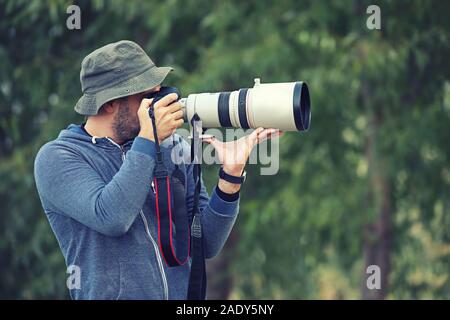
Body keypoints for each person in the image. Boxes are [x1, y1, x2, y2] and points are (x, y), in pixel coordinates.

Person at [34, 40, 281, 299]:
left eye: (158, 93)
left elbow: (205, 242)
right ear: (108, 104)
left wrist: (230, 177)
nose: (158, 104)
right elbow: (112, 217)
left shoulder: (169, 147)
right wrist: (148, 140)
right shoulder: (59, 157)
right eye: (147, 97)